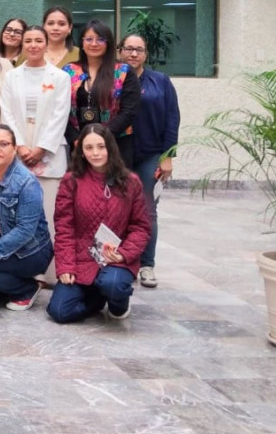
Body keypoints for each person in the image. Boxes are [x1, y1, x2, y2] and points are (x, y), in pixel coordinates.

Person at [47, 124, 151, 323]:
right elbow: (64, 228)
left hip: (115, 259)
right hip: (81, 259)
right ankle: (97, 298)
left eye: (101, 147)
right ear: (82, 152)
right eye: (89, 148)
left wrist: (124, 253)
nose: (95, 153)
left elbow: (141, 227)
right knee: (59, 311)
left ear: (110, 147)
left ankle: (118, 305)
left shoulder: (131, 182)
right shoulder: (71, 181)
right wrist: (66, 266)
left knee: (113, 284)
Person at [0, 125, 54, 310]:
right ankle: (7, 281)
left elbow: (25, 231)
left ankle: (28, 288)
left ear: (14, 148)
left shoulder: (27, 182)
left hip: (29, 251)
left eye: (3, 144)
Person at [0, 26, 72, 241]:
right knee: (17, 213)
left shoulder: (60, 77)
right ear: (22, 44)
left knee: (47, 212)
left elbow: (60, 114)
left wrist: (41, 149)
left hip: (49, 149)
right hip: (18, 148)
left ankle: (47, 273)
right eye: (28, 40)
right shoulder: (11, 76)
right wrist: (19, 146)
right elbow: (7, 112)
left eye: (38, 41)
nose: (33, 45)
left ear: (46, 43)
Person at [119, 34, 180, 289]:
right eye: (129, 49)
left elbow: (172, 119)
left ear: (146, 54)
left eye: (139, 50)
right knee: (115, 208)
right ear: (120, 51)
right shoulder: (114, 80)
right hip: (119, 154)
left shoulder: (160, 81)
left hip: (150, 154)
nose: (133, 54)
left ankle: (146, 264)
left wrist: (167, 157)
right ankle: (120, 260)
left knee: (147, 210)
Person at [63, 20, 141, 170]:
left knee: (116, 189)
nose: (94, 43)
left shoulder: (124, 71)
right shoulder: (69, 71)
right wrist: (76, 139)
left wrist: (101, 138)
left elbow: (129, 111)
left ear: (109, 43)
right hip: (78, 144)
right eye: (89, 39)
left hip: (117, 142)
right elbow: (59, 110)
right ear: (82, 42)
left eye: (100, 39)